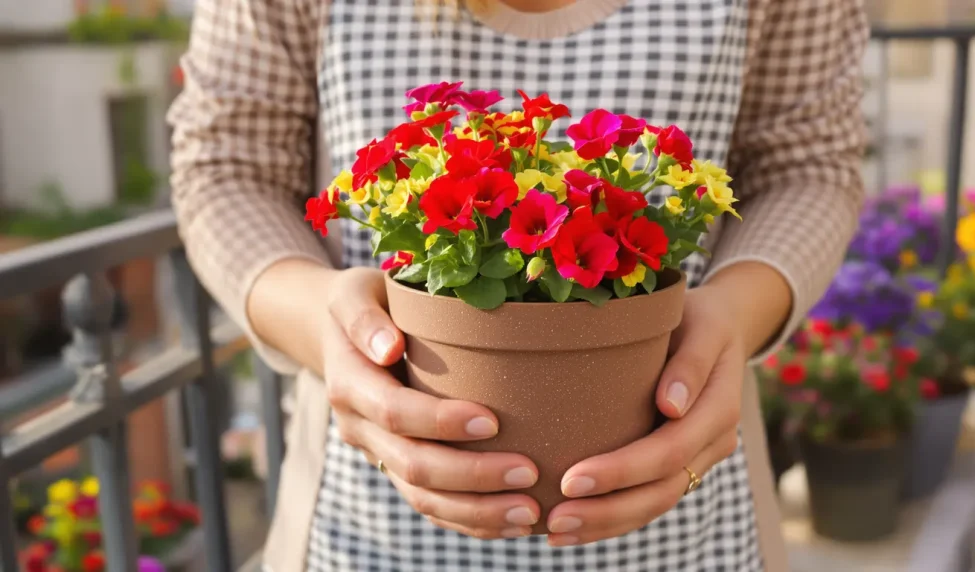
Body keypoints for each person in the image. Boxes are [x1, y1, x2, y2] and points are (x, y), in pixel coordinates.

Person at [169, 1, 866, 570]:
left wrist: (736, 312)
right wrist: (323, 322)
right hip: (369, 525)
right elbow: (228, 169)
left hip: (689, 524)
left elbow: (806, 167)